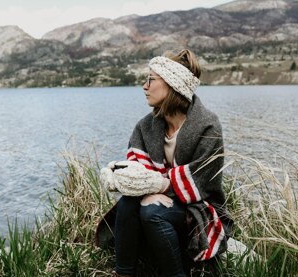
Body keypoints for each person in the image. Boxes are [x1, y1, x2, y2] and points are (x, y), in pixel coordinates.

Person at [97, 49, 233, 277]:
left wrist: (158, 187)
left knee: (152, 212)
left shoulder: (207, 126)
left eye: (151, 79)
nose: (144, 86)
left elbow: (200, 182)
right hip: (157, 200)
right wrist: (144, 186)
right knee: (127, 204)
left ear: (172, 84)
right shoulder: (145, 126)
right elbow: (135, 172)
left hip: (198, 207)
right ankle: (123, 273)